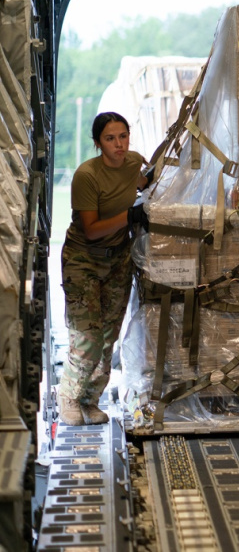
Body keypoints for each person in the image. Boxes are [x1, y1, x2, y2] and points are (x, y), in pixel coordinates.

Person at [59, 112, 151, 426]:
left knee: (109, 335)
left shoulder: (133, 161)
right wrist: (130, 216)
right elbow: (91, 230)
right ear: (98, 143)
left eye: (123, 136)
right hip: (83, 259)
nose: (118, 144)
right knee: (88, 336)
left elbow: (143, 181)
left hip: (118, 259)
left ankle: (89, 400)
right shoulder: (87, 176)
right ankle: (68, 396)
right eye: (110, 139)